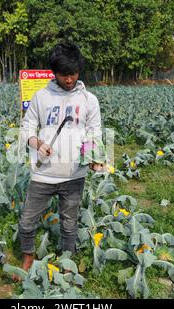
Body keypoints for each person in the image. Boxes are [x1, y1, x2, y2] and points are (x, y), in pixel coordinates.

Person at [16, 41, 105, 280]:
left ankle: (67, 262)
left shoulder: (89, 100)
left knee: (69, 224)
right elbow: (26, 129)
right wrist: (38, 144)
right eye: (64, 75)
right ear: (54, 73)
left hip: (74, 174)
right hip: (43, 173)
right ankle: (28, 257)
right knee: (26, 222)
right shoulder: (41, 97)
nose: (69, 79)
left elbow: (94, 133)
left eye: (73, 74)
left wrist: (94, 158)